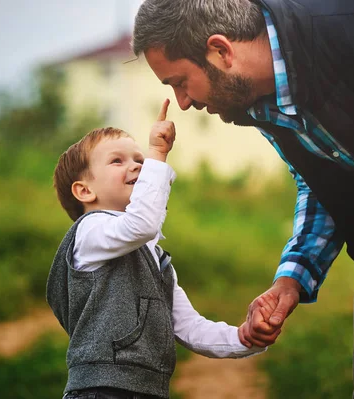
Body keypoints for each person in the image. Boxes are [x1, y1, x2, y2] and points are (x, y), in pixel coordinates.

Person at [132, 0, 354, 397]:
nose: (183, 102)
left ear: (221, 51)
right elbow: (323, 181)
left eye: (180, 82)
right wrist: (292, 277)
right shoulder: (260, 105)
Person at [46, 100, 267, 399]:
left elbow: (189, 327)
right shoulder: (89, 232)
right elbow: (141, 224)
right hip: (99, 390)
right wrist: (157, 154)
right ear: (85, 190)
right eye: (117, 161)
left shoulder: (154, 258)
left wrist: (244, 338)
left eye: (139, 159)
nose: (137, 165)